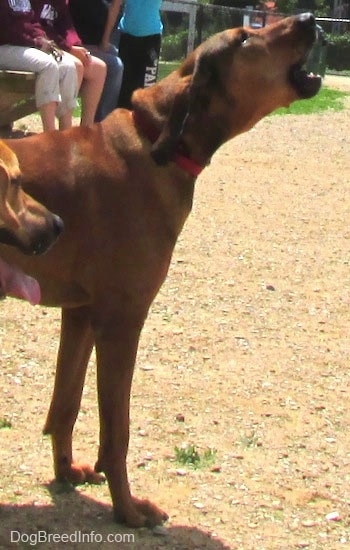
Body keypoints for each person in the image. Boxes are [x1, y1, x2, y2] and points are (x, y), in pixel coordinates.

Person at [0, 0, 78, 132]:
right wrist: (34, 42)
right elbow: (6, 30)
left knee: (68, 66)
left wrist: (42, 37)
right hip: (5, 46)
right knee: (48, 65)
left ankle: (66, 133)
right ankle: (50, 134)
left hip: (23, 45)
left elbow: (32, 21)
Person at [33, 0, 107, 126]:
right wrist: (68, 48)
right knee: (76, 65)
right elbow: (37, 29)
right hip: (39, 47)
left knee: (99, 68)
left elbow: (67, 28)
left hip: (60, 48)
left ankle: (86, 130)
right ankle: (66, 129)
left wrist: (75, 45)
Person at [69, 0, 124, 122]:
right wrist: (74, 45)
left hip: (95, 44)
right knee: (115, 65)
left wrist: (104, 41)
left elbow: (115, 5)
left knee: (117, 56)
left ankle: (102, 122)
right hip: (77, 45)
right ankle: (101, 123)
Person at [115, 0, 163, 109]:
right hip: (128, 37)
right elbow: (115, 5)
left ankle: (144, 121)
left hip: (151, 37)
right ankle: (123, 121)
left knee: (147, 86)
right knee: (125, 85)